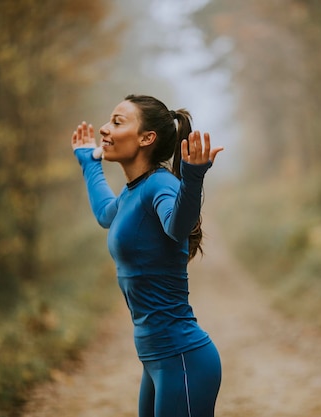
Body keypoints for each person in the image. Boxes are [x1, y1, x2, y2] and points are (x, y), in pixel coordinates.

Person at [71, 94, 223, 417]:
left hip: (182, 358)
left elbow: (177, 226)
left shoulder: (161, 186)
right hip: (156, 361)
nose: (103, 129)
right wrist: (89, 163)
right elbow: (104, 213)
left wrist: (193, 177)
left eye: (117, 122)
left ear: (146, 138)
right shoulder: (132, 193)